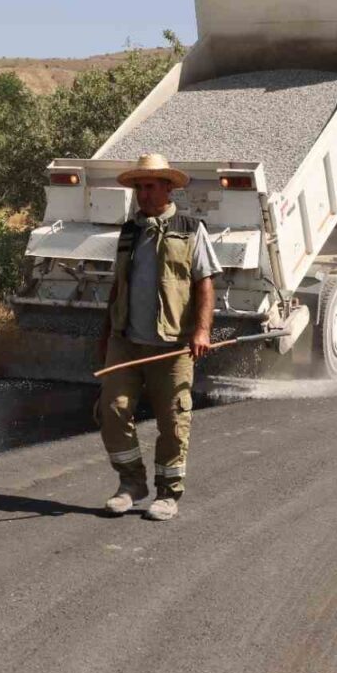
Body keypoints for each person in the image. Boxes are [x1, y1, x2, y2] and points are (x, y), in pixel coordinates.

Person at [96, 153, 222, 522]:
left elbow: (205, 282)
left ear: (168, 188)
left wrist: (201, 330)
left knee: (173, 420)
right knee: (113, 410)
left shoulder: (190, 228)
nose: (142, 194)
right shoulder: (129, 232)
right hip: (126, 341)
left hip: (174, 345)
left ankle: (168, 494)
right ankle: (131, 484)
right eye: (138, 187)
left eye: (149, 186)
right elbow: (117, 288)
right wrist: (104, 337)